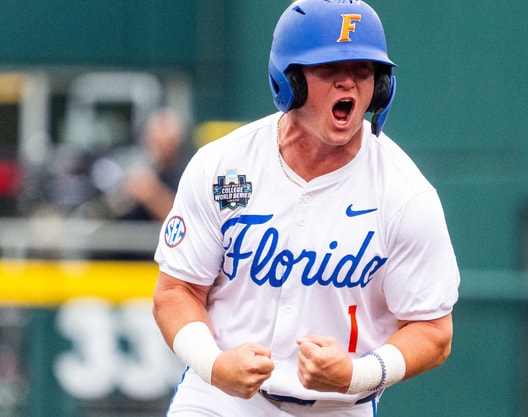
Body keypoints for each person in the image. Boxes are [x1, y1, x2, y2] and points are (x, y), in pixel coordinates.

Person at [152, 1, 460, 416]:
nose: (348, 83)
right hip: (222, 398)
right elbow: (175, 292)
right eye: (329, 69)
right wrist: (213, 364)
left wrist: (358, 374)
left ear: (382, 85)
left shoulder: (405, 195)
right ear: (290, 80)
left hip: (337, 406)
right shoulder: (222, 166)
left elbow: (434, 332)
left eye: (364, 70)